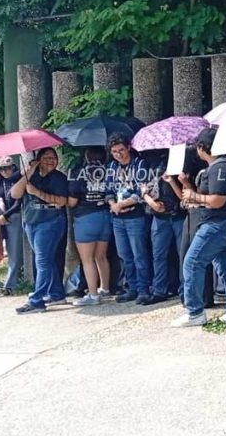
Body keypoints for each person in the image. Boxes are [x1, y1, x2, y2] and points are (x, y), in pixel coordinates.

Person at [171, 127, 226, 327]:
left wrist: (195, 196)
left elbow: (218, 201)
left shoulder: (220, 168)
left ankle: (195, 312)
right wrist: (194, 195)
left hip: (218, 223)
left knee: (192, 263)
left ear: (202, 147)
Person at [10, 148, 70, 314]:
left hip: (51, 222)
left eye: (54, 157)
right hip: (31, 223)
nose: (51, 160)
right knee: (47, 261)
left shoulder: (59, 178)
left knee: (42, 262)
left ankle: (36, 301)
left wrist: (37, 193)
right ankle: (57, 294)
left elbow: (62, 201)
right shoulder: (31, 176)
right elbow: (15, 194)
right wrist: (30, 171)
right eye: (46, 157)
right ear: (38, 160)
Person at [105, 133, 151, 304]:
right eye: (114, 152)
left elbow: (141, 191)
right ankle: (131, 288)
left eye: (121, 150)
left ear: (129, 148)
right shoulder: (112, 167)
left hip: (135, 215)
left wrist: (121, 204)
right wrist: (112, 204)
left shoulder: (139, 164)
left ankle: (144, 289)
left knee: (139, 254)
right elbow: (107, 190)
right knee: (124, 255)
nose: (118, 154)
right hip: (117, 217)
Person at [68, 147, 113, 306]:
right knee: (101, 256)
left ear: (86, 157)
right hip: (105, 216)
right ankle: (105, 288)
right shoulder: (108, 172)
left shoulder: (78, 173)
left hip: (85, 218)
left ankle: (93, 295)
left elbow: (72, 201)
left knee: (87, 259)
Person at [141, 154, 187, 305]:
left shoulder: (182, 161)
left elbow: (184, 195)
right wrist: (149, 198)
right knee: (159, 255)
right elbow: (145, 189)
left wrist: (172, 180)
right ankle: (159, 290)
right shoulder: (149, 163)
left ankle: (184, 290)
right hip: (160, 216)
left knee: (182, 254)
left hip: (178, 214)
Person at [0, 157, 23, 295]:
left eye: (8, 168)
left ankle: (10, 284)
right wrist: (0, 215)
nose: (5, 171)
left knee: (13, 253)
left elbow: (18, 203)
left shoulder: (18, 180)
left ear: (13, 168)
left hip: (13, 217)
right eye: (1, 169)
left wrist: (6, 216)